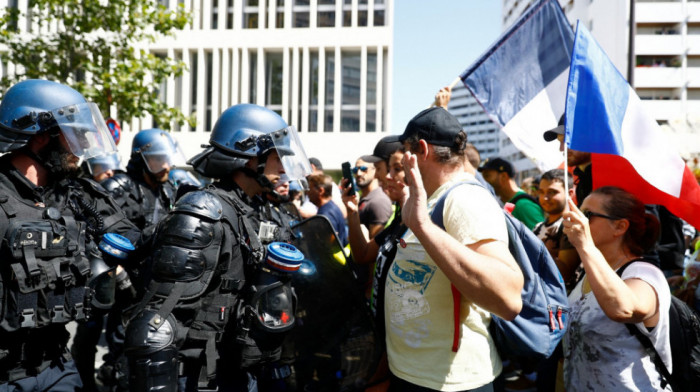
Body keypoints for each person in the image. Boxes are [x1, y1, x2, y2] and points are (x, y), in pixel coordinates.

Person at [124, 103, 312, 392]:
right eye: (277, 157)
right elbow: (156, 322)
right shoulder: (204, 211)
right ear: (251, 159)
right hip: (205, 378)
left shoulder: (258, 210)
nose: (284, 168)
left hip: (245, 371)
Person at [0, 79, 140, 391]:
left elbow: (135, 241)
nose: (82, 148)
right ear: (39, 137)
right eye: (74, 136)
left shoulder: (78, 194)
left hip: (57, 365)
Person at [386, 107, 523, 391]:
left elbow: (508, 299)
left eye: (405, 151)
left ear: (421, 150)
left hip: (451, 383)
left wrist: (423, 226)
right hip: (415, 375)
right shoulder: (432, 198)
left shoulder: (465, 198)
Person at [562, 186, 671, 391]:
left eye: (587, 215)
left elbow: (624, 309)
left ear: (620, 227)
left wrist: (585, 246)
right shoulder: (588, 273)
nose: (578, 219)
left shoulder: (644, 274)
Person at [101, 128, 182, 232]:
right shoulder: (119, 188)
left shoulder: (169, 190)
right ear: (141, 160)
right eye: (159, 159)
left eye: (167, 159)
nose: (166, 166)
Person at [533, 169, 581, 291]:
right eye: (541, 192)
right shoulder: (538, 226)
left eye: (552, 192)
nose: (545, 198)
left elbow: (564, 273)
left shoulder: (571, 226)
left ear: (570, 193)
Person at [478, 157, 544, 230]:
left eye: (487, 176)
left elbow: (541, 236)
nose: (483, 181)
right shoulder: (505, 202)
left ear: (503, 176)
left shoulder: (523, 205)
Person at [543, 115, 592, 207]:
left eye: (567, 140)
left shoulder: (610, 175)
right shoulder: (582, 179)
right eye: (560, 142)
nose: (562, 148)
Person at [354, 157, 392, 239]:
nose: (358, 173)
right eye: (355, 170)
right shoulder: (362, 198)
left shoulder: (378, 201)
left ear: (376, 170)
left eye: (364, 169)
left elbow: (374, 248)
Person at [307, 173, 348, 246]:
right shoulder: (330, 206)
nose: (307, 192)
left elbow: (330, 244)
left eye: (310, 189)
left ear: (320, 191)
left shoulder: (326, 213)